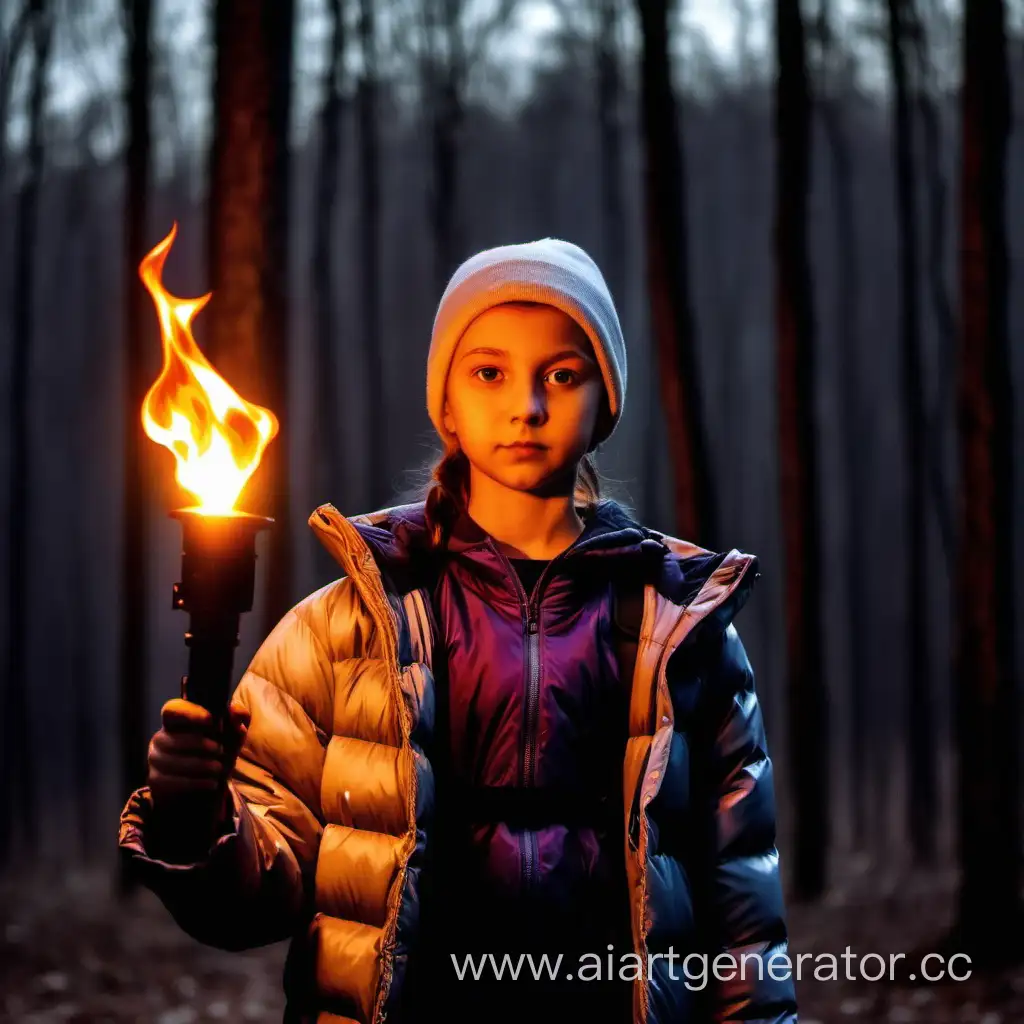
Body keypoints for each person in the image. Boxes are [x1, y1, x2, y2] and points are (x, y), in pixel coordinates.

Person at [119, 239, 799, 1024]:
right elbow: (252, 905)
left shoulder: (682, 633)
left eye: (563, 374)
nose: (527, 406)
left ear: (604, 402)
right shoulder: (346, 629)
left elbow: (743, 914)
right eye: (489, 373)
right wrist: (190, 813)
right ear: (446, 406)